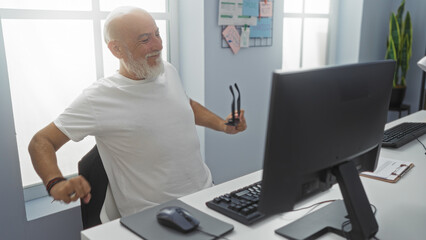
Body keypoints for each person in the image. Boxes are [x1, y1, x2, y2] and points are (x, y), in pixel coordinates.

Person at [28, 6, 247, 217]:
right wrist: (56, 183)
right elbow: (41, 141)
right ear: (116, 49)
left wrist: (223, 125)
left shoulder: (166, 71)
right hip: (157, 215)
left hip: (206, 195)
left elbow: (185, 105)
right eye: (145, 39)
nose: (158, 45)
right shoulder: (98, 97)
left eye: (157, 34)